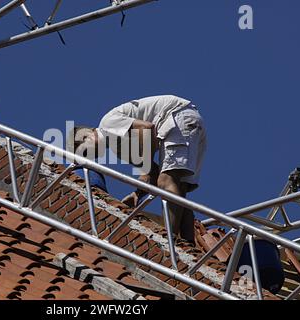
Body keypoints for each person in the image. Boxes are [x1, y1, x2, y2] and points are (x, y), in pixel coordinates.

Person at [70, 95, 207, 243]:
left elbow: (147, 128)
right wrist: (138, 193)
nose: (90, 154)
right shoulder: (119, 150)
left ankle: (169, 243)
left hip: (177, 116)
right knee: (178, 189)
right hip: (186, 123)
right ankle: (188, 245)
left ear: (88, 133)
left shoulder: (107, 123)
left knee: (166, 181)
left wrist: (145, 173)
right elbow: (152, 174)